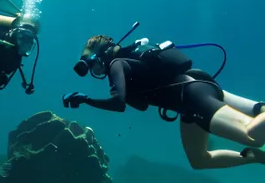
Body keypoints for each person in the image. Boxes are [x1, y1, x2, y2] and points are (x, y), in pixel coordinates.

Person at [63, 31, 265, 170]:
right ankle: (256, 157)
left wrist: (86, 99)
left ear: (103, 54)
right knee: (199, 160)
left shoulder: (117, 64)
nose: (94, 71)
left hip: (194, 94)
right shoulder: (128, 63)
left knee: (251, 134)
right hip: (190, 100)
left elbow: (118, 104)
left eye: (93, 64)